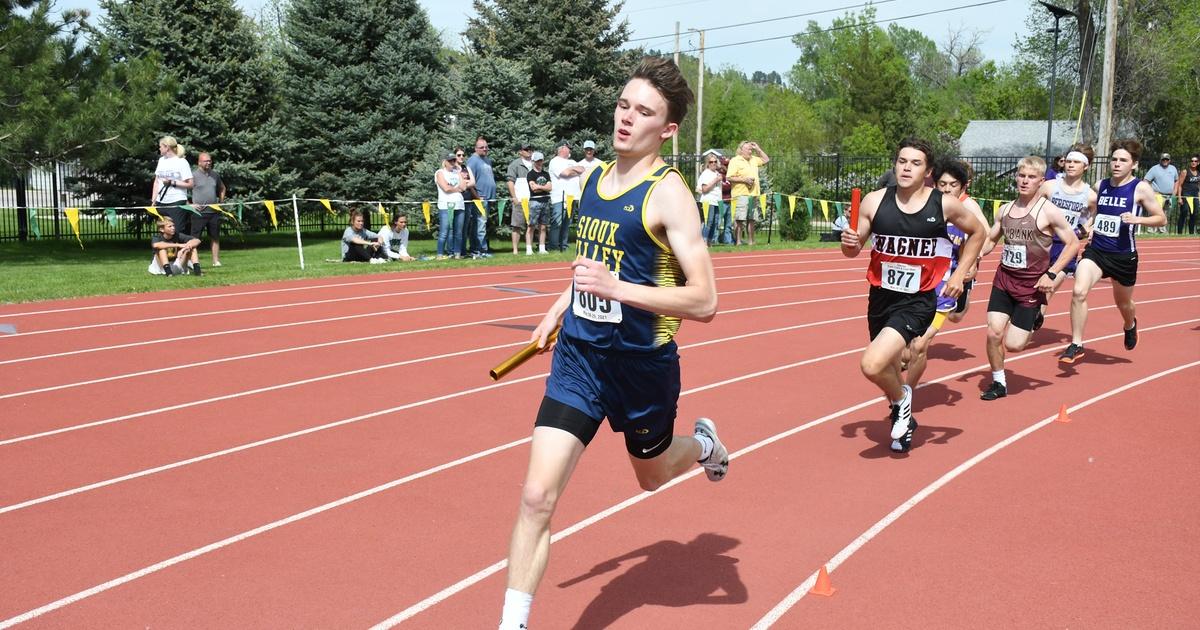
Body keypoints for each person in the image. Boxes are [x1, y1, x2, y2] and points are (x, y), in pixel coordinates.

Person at [498, 57, 724, 630]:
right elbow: (592, 265)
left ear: (667, 130)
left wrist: (617, 290)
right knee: (536, 497)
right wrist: (559, 307)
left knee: (651, 477)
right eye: (623, 104)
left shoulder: (669, 196)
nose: (626, 118)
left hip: (641, 367)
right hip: (579, 359)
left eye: (643, 112)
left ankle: (703, 446)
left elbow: (705, 301)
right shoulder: (594, 178)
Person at [839, 138, 985, 453]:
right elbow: (853, 250)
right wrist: (849, 242)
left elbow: (978, 232)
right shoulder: (874, 201)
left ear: (928, 171)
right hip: (881, 296)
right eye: (902, 161)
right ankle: (902, 414)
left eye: (915, 163)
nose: (906, 168)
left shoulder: (943, 204)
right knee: (890, 364)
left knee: (872, 364)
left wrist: (960, 273)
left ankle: (902, 398)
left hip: (918, 299)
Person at [977, 156, 1079, 400]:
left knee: (1014, 345)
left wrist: (1051, 273)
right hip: (1004, 280)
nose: (1025, 181)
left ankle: (1036, 314)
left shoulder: (1048, 211)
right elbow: (991, 239)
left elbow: (1073, 243)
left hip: (1031, 286)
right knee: (993, 333)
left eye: (1031, 177)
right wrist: (975, 256)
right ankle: (999, 382)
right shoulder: (1005, 209)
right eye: (1021, 175)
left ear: (1041, 181)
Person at [1059, 139, 1168, 363]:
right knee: (1079, 291)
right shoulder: (1100, 185)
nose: (1117, 164)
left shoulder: (1140, 188)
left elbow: (1161, 218)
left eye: (1123, 160)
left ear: (1134, 164)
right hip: (1096, 251)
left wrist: (1137, 219)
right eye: (1114, 159)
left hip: (1123, 256)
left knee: (1123, 304)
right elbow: (1093, 213)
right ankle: (1076, 344)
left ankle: (1130, 324)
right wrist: (1089, 227)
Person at [901, 159, 989, 392]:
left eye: (953, 185)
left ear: (962, 188)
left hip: (943, 290)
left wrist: (969, 266)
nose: (947, 189)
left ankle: (907, 394)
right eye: (942, 184)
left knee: (920, 345)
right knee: (904, 350)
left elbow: (978, 238)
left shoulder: (966, 214)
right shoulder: (921, 209)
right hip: (913, 286)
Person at [1034, 143, 1098, 329]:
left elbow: (1095, 216)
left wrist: (1085, 229)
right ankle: (1035, 311)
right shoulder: (1049, 186)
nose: (1070, 165)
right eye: (1068, 161)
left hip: (1066, 245)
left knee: (1049, 285)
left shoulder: (1090, 195)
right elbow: (1033, 208)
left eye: (1076, 162)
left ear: (1086, 166)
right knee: (1034, 283)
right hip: (1043, 240)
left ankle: (1038, 312)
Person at [726, 141, 770, 246]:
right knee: (740, 219)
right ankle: (738, 241)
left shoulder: (754, 159)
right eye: (748, 149)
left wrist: (758, 149)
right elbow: (729, 177)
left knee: (751, 219)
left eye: (751, 150)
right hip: (740, 194)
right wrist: (744, 180)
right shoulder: (735, 160)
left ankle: (751, 241)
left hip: (753, 194)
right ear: (741, 150)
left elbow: (766, 160)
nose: (750, 151)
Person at [188, 152, 227, 267]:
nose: (209, 163)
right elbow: (183, 191)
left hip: (213, 212)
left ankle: (216, 261)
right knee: (194, 239)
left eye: (210, 161)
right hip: (198, 213)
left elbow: (222, 188)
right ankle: (192, 261)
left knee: (215, 237)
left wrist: (221, 202)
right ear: (199, 162)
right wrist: (189, 204)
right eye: (206, 161)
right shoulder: (193, 175)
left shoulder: (215, 175)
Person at [151, 136, 194, 235]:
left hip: (176, 201)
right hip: (161, 202)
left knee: (176, 232)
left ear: (167, 147)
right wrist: (154, 200)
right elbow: (157, 181)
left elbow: (191, 184)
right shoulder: (161, 161)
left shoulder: (181, 162)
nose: (159, 148)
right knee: (163, 232)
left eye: (161, 146)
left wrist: (173, 183)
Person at [549, 142, 585, 252]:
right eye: (569, 148)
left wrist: (571, 170)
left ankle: (563, 246)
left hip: (572, 197)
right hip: (560, 197)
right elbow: (565, 173)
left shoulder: (572, 161)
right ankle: (554, 246)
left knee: (567, 223)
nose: (570, 150)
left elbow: (582, 169)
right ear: (562, 149)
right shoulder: (555, 161)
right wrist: (574, 171)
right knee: (557, 222)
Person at [466, 136, 496, 258]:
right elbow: (469, 181)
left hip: (488, 197)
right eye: (482, 147)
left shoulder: (487, 160)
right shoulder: (472, 161)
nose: (485, 149)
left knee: (482, 224)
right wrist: (477, 197)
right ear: (476, 148)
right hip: (480, 198)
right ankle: (479, 250)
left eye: (486, 147)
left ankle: (481, 247)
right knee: (480, 224)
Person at [435, 151, 467, 260]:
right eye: (450, 161)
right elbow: (446, 188)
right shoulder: (440, 173)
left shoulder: (457, 172)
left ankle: (457, 254)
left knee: (458, 232)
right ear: (445, 162)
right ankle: (440, 254)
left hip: (459, 205)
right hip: (446, 206)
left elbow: (463, 187)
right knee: (444, 231)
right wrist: (456, 188)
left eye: (454, 160)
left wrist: (458, 176)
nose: (453, 163)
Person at [506, 143, 534, 255]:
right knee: (517, 226)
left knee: (531, 225)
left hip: (532, 199)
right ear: (520, 152)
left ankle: (529, 249)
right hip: (520, 199)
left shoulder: (534, 163)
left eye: (530, 149)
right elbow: (510, 182)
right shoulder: (515, 164)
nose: (529, 151)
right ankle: (515, 250)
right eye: (526, 149)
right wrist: (514, 197)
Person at [1144, 153, 1177, 234]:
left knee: (1165, 213)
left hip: (1169, 195)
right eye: (1163, 159)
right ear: (1160, 160)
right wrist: (1151, 191)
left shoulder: (1173, 168)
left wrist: (1174, 192)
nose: (1165, 161)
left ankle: (1162, 230)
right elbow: (1145, 181)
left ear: (1169, 160)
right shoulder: (1154, 168)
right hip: (1157, 195)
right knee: (1154, 212)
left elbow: (1177, 181)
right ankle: (1151, 230)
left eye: (1167, 159)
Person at [527, 151, 553, 254]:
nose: (539, 163)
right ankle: (529, 249)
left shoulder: (546, 174)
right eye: (537, 161)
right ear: (533, 161)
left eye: (541, 160)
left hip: (545, 201)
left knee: (543, 226)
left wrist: (539, 187)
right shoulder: (530, 174)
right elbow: (533, 189)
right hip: (534, 201)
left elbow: (550, 187)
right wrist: (544, 187)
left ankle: (542, 248)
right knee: (531, 226)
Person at [696, 152, 724, 245]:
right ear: (708, 163)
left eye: (715, 161)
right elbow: (704, 189)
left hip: (717, 201)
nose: (713, 163)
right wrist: (715, 180)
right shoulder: (706, 174)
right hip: (708, 201)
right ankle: (703, 241)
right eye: (711, 162)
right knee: (709, 222)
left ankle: (709, 241)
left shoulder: (717, 173)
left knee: (715, 222)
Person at [455, 147, 476, 258]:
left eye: (463, 155)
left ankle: (463, 251)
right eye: (459, 155)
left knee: (465, 227)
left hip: (467, 200)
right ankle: (453, 251)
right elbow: (454, 184)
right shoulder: (452, 168)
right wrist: (464, 183)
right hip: (456, 200)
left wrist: (463, 184)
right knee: (455, 227)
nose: (461, 157)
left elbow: (473, 182)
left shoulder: (466, 168)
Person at [1176, 154, 1200, 234]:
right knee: (1184, 212)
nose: (1193, 162)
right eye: (1192, 161)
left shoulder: (1198, 173)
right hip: (1186, 194)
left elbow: (1198, 186)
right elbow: (1179, 185)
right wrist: (1179, 197)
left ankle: (1191, 233)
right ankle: (1179, 233)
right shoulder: (1185, 171)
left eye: (1195, 161)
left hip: (1195, 196)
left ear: (1198, 163)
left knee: (1194, 214)